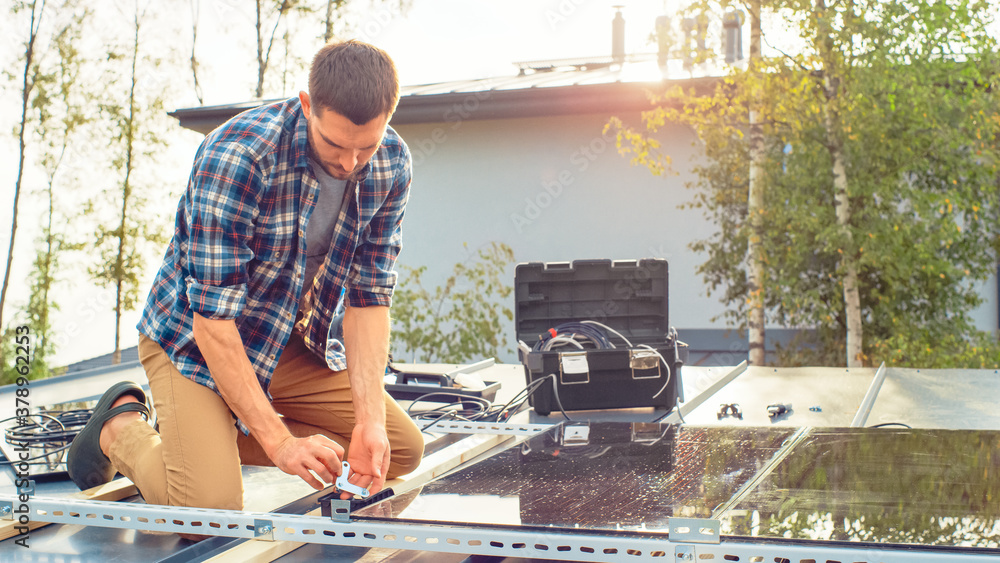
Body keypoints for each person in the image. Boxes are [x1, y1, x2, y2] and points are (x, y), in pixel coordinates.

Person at [67, 40, 423, 527]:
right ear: (306, 105)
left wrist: (371, 421)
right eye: (336, 144)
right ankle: (121, 427)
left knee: (397, 451)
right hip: (192, 341)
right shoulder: (238, 157)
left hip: (282, 340)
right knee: (209, 513)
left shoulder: (391, 163)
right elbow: (213, 322)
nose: (350, 163)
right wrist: (278, 442)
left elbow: (368, 299)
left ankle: (210, 437)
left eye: (366, 145)